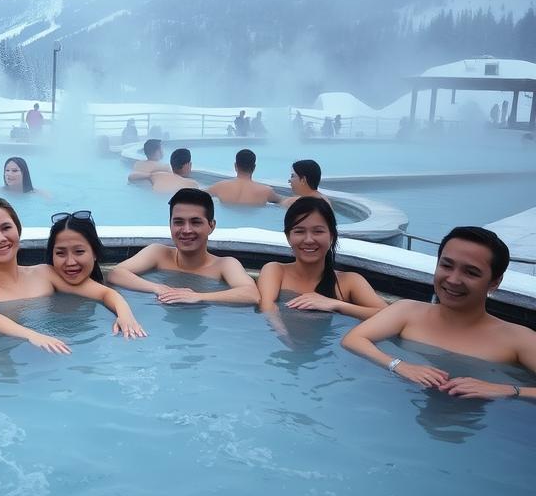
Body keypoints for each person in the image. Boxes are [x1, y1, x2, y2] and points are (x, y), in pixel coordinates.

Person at [342, 226, 535, 399]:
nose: (453, 280)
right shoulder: (407, 311)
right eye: (446, 266)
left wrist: (507, 390)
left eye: (471, 273)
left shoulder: (518, 339)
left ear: (494, 282)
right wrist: (398, 365)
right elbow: (353, 339)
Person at [0, 199, 145, 353]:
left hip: (56, 349)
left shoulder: (45, 273)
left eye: (6, 228)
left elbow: (105, 293)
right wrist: (34, 336)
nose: (0, 238)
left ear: (18, 231)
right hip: (1, 356)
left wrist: (125, 316)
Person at [108, 188, 259, 305]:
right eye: (179, 222)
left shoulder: (224, 265)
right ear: (170, 225)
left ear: (211, 226)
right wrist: (159, 288)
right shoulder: (158, 253)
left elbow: (251, 294)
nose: (186, 230)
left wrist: (198, 297)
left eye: (195, 222)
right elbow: (116, 273)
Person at [258, 197, 386, 320]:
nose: (308, 240)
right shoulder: (276, 271)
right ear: (288, 237)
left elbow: (387, 316)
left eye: (318, 231)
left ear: (331, 236)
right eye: (299, 231)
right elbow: (267, 308)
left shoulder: (349, 282)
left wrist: (336, 305)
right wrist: (283, 334)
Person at [206, 149, 283, 205]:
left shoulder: (219, 187)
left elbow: (200, 196)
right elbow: (285, 202)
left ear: (235, 166)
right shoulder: (266, 191)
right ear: (254, 167)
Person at [130, 148, 201, 194]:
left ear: (172, 164)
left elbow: (131, 177)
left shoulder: (158, 175)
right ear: (188, 165)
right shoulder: (192, 184)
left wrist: (149, 175)